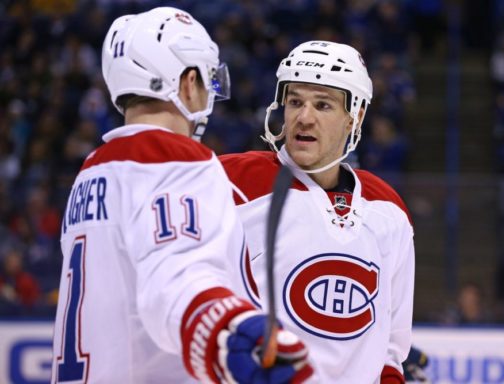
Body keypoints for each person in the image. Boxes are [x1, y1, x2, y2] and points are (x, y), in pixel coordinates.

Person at [51, 7, 312, 383]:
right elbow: (175, 279)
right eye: (207, 81)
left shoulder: (92, 170)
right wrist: (229, 333)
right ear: (188, 82)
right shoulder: (173, 159)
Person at [219, 40, 415, 383]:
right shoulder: (231, 182)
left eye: (322, 105)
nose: (303, 118)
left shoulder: (388, 209)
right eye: (295, 102)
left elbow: (390, 349)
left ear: (355, 116)